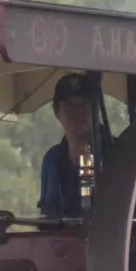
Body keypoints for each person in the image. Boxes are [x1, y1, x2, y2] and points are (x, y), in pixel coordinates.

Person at [38, 73, 109, 220]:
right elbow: (47, 215)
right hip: (60, 241)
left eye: (83, 105)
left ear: (95, 110)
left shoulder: (117, 154)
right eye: (70, 106)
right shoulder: (51, 160)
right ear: (57, 112)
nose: (77, 113)